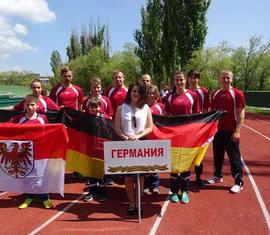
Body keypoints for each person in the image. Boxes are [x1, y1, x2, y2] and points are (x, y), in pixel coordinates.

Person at [7, 95, 53, 209]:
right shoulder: (19, 119)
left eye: (32, 105)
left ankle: (45, 198)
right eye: (27, 105)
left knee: (40, 175)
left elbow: (50, 131)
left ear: (37, 106)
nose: (30, 107)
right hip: (25, 152)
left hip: (40, 152)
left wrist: (62, 128)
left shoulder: (42, 118)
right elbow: (7, 126)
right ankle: (29, 197)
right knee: (27, 174)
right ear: (24, 106)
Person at [114, 82, 153, 215]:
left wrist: (138, 136)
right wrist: (126, 138)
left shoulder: (146, 108)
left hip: (141, 143)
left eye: (139, 92)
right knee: (129, 177)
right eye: (134, 91)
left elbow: (150, 127)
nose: (136, 94)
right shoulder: (121, 108)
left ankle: (138, 203)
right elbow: (117, 128)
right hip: (126, 144)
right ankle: (131, 203)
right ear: (130, 92)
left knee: (140, 176)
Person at [164, 70, 200, 204]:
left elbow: (197, 116)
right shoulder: (168, 97)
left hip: (188, 136)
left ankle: (184, 191)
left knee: (185, 164)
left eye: (181, 80)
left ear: (186, 80)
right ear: (174, 82)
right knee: (173, 165)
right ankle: (174, 191)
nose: (179, 82)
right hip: (173, 135)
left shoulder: (193, 96)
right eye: (176, 80)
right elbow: (166, 115)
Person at [207, 70, 245, 194]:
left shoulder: (237, 94)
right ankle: (217, 176)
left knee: (234, 158)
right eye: (223, 78)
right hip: (218, 131)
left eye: (228, 78)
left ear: (232, 79)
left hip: (231, 132)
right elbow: (213, 112)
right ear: (220, 79)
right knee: (218, 156)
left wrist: (237, 131)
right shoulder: (216, 94)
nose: (225, 80)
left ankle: (238, 182)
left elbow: (241, 114)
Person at [82, 77, 114, 202]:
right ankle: (91, 192)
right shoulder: (87, 101)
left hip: (102, 139)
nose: (96, 89)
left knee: (101, 166)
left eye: (98, 87)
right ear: (91, 88)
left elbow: (110, 117)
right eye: (94, 87)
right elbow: (84, 116)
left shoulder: (106, 100)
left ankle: (102, 192)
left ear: (101, 88)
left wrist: (102, 115)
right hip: (90, 139)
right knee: (90, 166)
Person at [187, 69, 210, 187]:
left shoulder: (204, 92)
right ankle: (183, 177)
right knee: (186, 153)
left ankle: (198, 177)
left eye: (196, 77)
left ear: (198, 79)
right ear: (188, 79)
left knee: (199, 153)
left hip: (199, 127)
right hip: (187, 128)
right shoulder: (184, 91)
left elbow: (206, 110)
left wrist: (204, 125)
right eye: (191, 77)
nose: (193, 80)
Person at [143, 85, 164, 195]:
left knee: (155, 164)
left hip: (157, 138)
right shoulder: (143, 107)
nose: (151, 95)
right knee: (146, 164)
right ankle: (146, 186)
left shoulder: (160, 106)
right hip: (146, 138)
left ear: (156, 95)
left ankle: (155, 185)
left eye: (153, 93)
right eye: (149, 93)